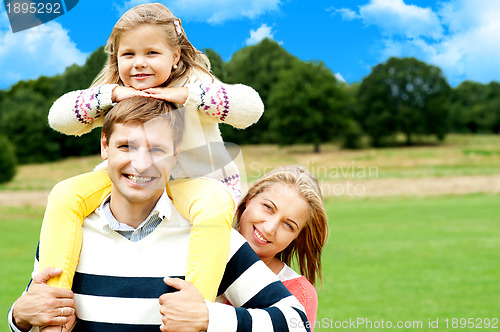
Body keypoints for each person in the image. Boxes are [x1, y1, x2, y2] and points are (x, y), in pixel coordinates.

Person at [8, 97, 309, 332]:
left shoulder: (213, 239)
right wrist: (18, 317)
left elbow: (297, 322)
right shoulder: (71, 233)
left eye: (156, 151)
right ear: (105, 146)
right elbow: (34, 309)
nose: (140, 164)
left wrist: (209, 317)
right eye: (126, 146)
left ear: (175, 154)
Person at [40, 1, 264, 309]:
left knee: (214, 203)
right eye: (128, 54)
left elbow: (251, 108)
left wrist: (189, 97)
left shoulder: (193, 86)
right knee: (65, 194)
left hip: (194, 184)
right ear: (116, 58)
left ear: (174, 56)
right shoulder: (114, 94)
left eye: (151, 53)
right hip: (129, 180)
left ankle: (193, 305)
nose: (139, 63)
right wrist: (111, 95)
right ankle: (53, 300)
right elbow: (58, 117)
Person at [233, 166, 329, 330]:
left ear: (297, 237)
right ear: (249, 199)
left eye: (288, 225)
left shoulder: (298, 294)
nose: (270, 228)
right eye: (268, 207)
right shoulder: (193, 246)